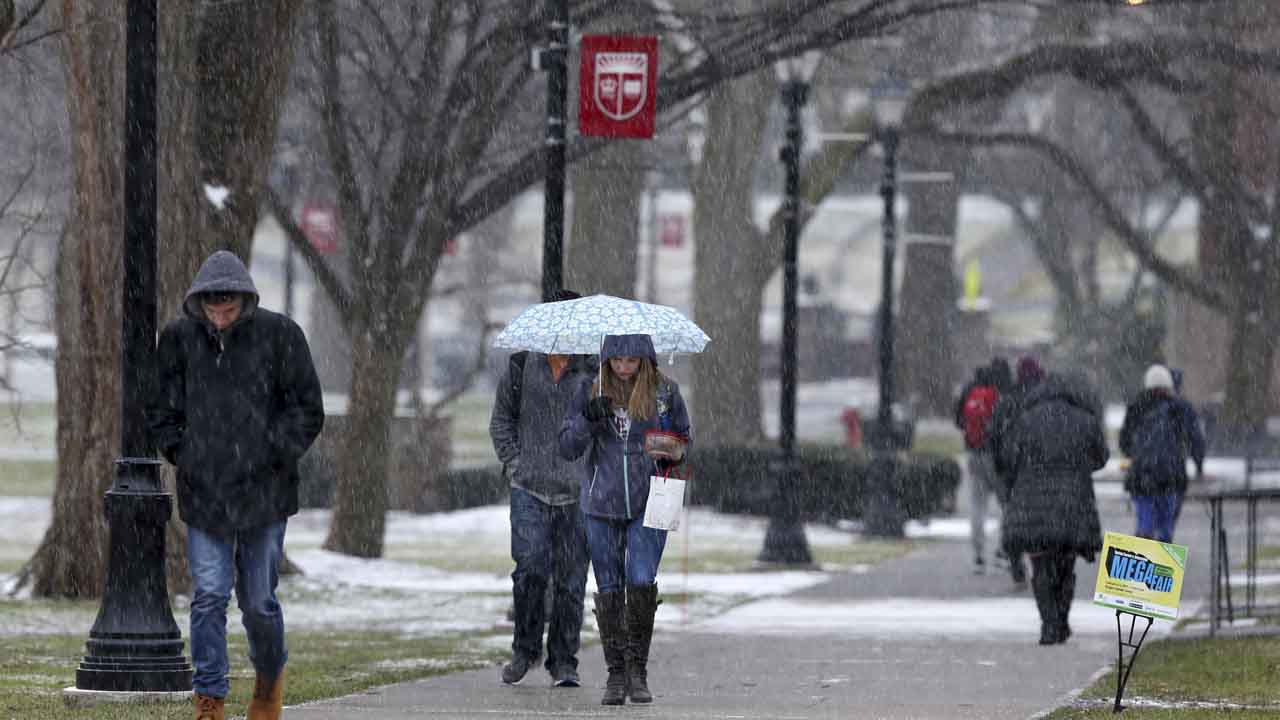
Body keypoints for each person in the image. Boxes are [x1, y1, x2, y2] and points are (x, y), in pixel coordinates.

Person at [149, 251, 324, 720]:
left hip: (265, 492)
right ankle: (209, 696)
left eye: (229, 311)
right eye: (213, 310)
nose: (221, 319)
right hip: (204, 492)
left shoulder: (280, 335)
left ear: (244, 303)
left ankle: (269, 679)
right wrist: (185, 453)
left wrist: (271, 451)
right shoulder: (179, 340)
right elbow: (162, 411)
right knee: (208, 594)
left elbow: (308, 410)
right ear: (199, 304)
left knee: (259, 602)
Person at [559, 334, 690, 706]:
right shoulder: (589, 389)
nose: (624, 368)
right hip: (601, 502)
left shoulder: (664, 392)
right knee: (610, 584)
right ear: (606, 360)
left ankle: (638, 671)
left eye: (632, 361)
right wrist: (588, 419)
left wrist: (667, 449)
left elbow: (683, 439)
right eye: (616, 361)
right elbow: (568, 447)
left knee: (641, 578)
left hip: (651, 501)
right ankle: (616, 673)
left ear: (645, 359)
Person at [489, 289, 595, 688]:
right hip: (529, 490)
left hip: (577, 494)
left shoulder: (593, 372)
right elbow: (501, 422)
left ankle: (564, 661)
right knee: (530, 569)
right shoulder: (520, 366)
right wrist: (517, 465)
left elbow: (604, 432)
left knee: (571, 580)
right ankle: (525, 650)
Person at [999, 371, 1107, 645]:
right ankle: (1061, 619)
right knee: (1065, 563)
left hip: (1033, 502)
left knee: (1040, 563)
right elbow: (1101, 458)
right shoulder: (1085, 420)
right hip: (1073, 502)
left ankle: (1048, 622)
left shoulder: (1025, 421)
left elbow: (1009, 459)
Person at [1119, 364, 1205, 543]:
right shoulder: (1180, 408)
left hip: (1143, 476)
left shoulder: (1137, 406)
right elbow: (1196, 439)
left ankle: (1144, 562)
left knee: (1145, 528)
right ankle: (1161, 563)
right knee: (1165, 530)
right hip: (1171, 476)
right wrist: (1198, 466)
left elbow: (1124, 441)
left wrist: (1137, 455)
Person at [988, 355, 1044, 585]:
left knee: (1013, 518)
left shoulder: (1007, 400)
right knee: (1039, 520)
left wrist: (1000, 465)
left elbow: (993, 436)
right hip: (1036, 469)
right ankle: (1039, 562)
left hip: (1011, 470)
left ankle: (1015, 561)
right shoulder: (1043, 400)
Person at [954, 363, 1001, 573]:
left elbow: (958, 420)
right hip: (994, 455)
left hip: (973, 452)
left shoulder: (968, 392)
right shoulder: (997, 393)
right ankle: (1003, 549)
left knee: (977, 506)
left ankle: (978, 554)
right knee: (1005, 505)